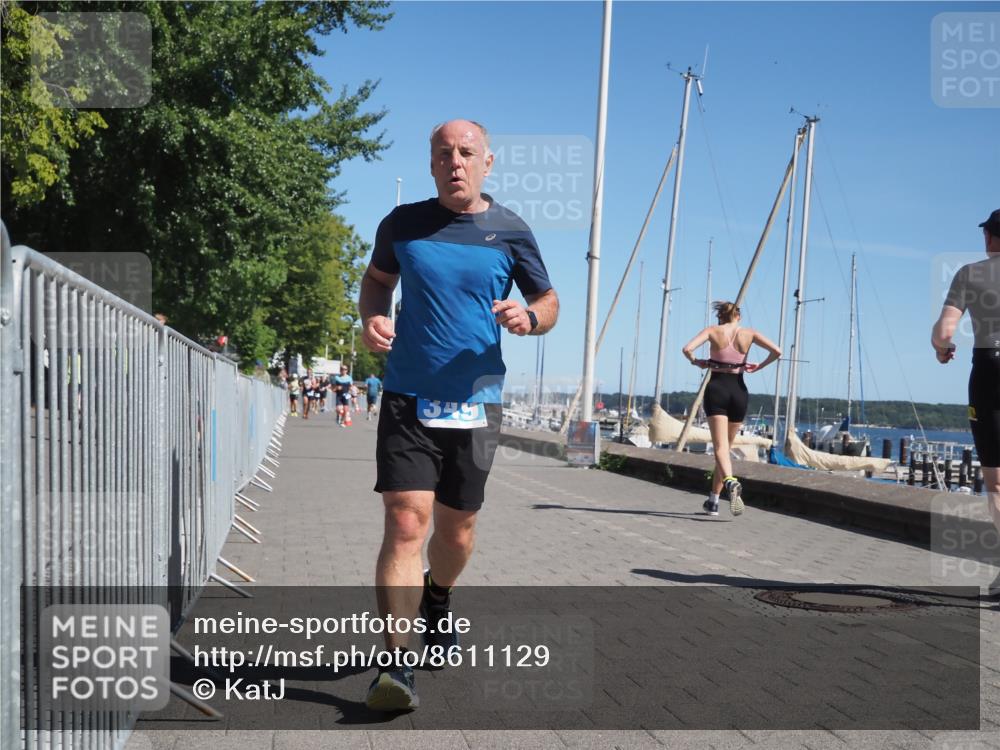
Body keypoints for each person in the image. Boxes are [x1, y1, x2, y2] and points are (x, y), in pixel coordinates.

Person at [358, 119, 559, 711]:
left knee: (457, 531)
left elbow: (548, 300)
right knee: (405, 522)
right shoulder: (402, 224)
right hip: (407, 396)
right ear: (430, 163)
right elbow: (376, 281)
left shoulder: (510, 230)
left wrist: (531, 318)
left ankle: (438, 595)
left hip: (476, 402)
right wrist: (372, 316)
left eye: (467, 153)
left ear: (487, 162)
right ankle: (396, 665)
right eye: (443, 153)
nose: (455, 162)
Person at [932, 208, 1000, 595]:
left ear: (989, 237)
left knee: (997, 483)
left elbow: (945, 332)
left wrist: (941, 349)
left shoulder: (970, 274)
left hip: (990, 370)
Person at [681, 301, 782, 517]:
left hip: (717, 389)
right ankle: (713, 501)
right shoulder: (749, 333)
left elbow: (687, 349)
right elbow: (777, 351)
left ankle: (730, 481)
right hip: (739, 391)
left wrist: (697, 362)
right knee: (725, 450)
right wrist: (759, 366)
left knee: (720, 447)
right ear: (738, 316)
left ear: (721, 317)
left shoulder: (712, 331)